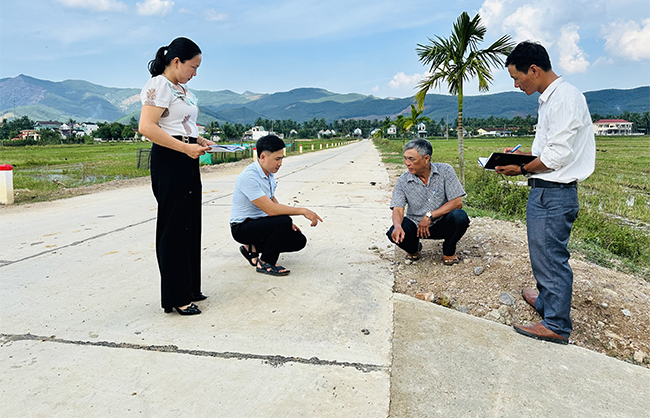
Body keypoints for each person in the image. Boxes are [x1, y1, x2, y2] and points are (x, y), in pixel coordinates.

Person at [496, 41, 596, 344]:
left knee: (551, 257)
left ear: (534, 70)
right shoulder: (551, 99)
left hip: (555, 193)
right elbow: (549, 151)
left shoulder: (564, 98)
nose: (516, 84)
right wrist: (521, 158)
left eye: (517, 77)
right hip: (546, 190)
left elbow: (557, 157)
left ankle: (556, 324)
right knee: (541, 253)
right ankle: (545, 301)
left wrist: (522, 168)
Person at [138, 37, 215, 316]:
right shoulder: (158, 84)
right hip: (170, 159)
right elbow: (147, 126)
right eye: (193, 67)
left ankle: (190, 286)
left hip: (187, 156)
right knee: (174, 227)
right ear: (176, 62)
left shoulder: (181, 88)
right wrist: (184, 147)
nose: (195, 73)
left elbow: (181, 124)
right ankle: (177, 296)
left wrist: (199, 140)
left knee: (190, 223)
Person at [230, 135, 322, 276]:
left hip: (259, 224)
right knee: (283, 221)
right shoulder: (249, 177)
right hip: (242, 227)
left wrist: (288, 223)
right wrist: (302, 211)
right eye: (277, 159)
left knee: (298, 240)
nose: (280, 163)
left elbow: (271, 200)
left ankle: (251, 247)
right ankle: (266, 262)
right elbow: (271, 210)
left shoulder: (268, 173)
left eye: (282, 159)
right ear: (262, 157)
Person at [387, 138, 469, 264]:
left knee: (460, 217)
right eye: (405, 158)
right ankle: (414, 250)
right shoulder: (403, 181)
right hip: (416, 226)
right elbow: (398, 208)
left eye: (411, 159)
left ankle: (448, 251)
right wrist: (397, 226)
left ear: (426, 159)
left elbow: (457, 202)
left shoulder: (445, 171)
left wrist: (430, 216)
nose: (407, 163)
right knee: (394, 232)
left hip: (441, 223)